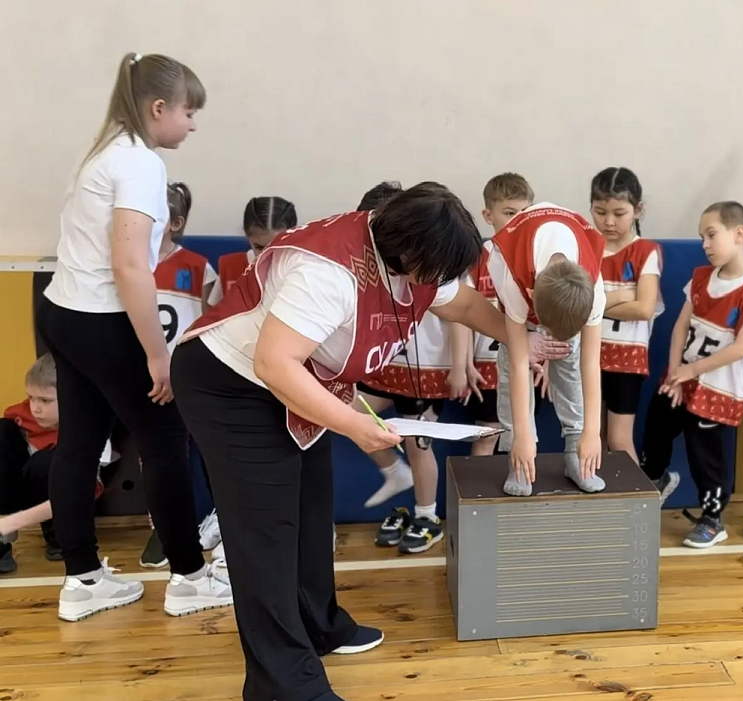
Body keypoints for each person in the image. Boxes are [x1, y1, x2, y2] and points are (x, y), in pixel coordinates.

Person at [172, 182, 565, 701]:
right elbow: (273, 363)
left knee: (312, 512)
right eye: (437, 271)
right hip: (233, 385)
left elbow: (466, 305)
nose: (441, 283)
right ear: (409, 253)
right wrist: (356, 425)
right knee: (265, 534)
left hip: (298, 380)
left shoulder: (409, 255)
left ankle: (320, 625)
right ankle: (284, 684)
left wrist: (522, 340)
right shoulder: (328, 273)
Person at [37, 51, 228, 622]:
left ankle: (83, 580)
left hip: (63, 313)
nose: (193, 125)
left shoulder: (102, 150)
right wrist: (156, 355)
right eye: (189, 112)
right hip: (102, 321)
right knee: (165, 442)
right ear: (159, 107)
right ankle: (189, 577)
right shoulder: (140, 163)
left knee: (78, 444)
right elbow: (128, 266)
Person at [638, 201, 743, 548]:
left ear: (738, 234)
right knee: (656, 426)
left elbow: (741, 348)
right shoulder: (700, 277)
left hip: (718, 389)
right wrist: (675, 373)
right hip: (682, 377)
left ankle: (713, 518)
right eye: (702, 237)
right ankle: (655, 479)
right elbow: (681, 326)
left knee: (706, 456)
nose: (705, 244)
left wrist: (692, 370)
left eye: (711, 235)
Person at [355, 181, 468, 554]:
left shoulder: (432, 259)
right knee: (345, 415)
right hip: (384, 365)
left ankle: (426, 515)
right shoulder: (366, 264)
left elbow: (461, 315)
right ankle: (393, 471)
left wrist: (459, 366)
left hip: (426, 370)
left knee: (419, 443)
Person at [489, 201, 607, 496]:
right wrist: (523, 437)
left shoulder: (593, 287)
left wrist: (592, 432)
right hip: (519, 276)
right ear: (531, 296)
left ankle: (576, 454)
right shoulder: (511, 276)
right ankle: (519, 459)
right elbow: (519, 365)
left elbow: (590, 364)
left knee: (571, 357)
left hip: (556, 293)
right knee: (511, 359)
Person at [140, 180, 219, 568]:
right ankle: (164, 527)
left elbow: (209, 322)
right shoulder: (129, 262)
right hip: (144, 376)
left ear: (176, 222)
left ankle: (225, 517)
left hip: (187, 375)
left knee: (209, 449)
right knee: (157, 455)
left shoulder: (197, 266)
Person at [0, 355, 115, 571]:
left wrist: (11, 523)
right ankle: (2, 544)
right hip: (21, 494)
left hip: (67, 501)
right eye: (31, 398)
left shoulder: (90, 428)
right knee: (2, 431)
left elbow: (78, 496)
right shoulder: (19, 418)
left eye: (45, 401)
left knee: (49, 461)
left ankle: (59, 539)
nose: (35, 408)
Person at [460, 174, 536, 457]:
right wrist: (465, 363)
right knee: (487, 436)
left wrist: (548, 361)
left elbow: (548, 316)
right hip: (486, 368)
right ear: (488, 215)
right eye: (509, 213)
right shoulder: (476, 258)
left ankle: (520, 483)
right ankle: (478, 489)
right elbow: (462, 314)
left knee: (523, 438)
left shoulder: (536, 256)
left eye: (524, 212)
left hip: (526, 367)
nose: (518, 220)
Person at [592, 167, 663, 463]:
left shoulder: (645, 251)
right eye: (600, 212)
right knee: (592, 435)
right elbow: (577, 306)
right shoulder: (587, 247)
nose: (608, 221)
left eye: (619, 213)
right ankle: (597, 490)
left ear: (638, 210)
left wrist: (595, 304)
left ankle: (636, 493)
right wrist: (620, 296)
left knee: (619, 440)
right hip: (590, 353)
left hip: (627, 359)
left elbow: (644, 308)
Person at [207, 196, 298, 307]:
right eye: (259, 247)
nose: (266, 255)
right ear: (247, 236)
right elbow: (212, 311)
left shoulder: (300, 269)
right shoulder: (231, 267)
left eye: (276, 247)